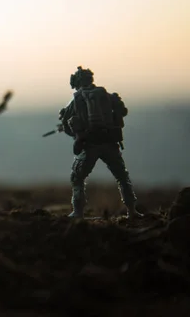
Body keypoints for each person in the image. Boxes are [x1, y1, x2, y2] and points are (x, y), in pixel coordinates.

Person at [59, 66, 143, 220]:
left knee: (77, 178)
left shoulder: (77, 99)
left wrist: (75, 134)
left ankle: (78, 212)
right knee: (122, 177)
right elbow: (122, 111)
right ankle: (132, 211)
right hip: (110, 142)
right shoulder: (106, 95)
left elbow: (66, 123)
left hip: (89, 144)